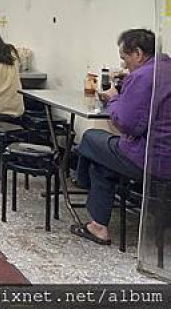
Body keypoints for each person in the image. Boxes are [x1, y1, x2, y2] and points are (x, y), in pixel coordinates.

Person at [72, 29, 171, 245]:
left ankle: (80, 183)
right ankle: (97, 225)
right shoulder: (164, 69)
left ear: (138, 53)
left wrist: (114, 98)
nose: (125, 66)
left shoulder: (142, 77)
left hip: (149, 157)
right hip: (165, 155)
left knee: (90, 138)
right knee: (103, 164)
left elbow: (127, 125)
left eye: (125, 59)